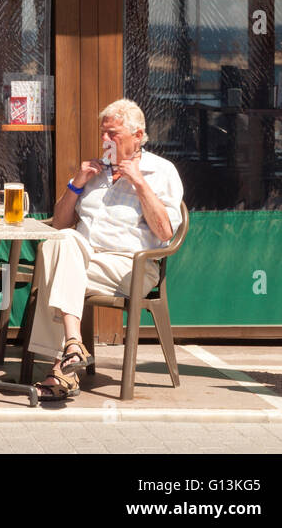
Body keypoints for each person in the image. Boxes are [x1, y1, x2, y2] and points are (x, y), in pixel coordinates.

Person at [28, 98, 184, 402]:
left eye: (113, 134)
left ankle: (60, 366)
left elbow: (165, 232)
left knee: (55, 264)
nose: (104, 140)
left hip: (132, 265)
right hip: (83, 258)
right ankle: (72, 346)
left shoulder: (161, 172)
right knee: (62, 243)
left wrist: (139, 184)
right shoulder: (95, 172)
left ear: (138, 136)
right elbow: (60, 224)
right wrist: (77, 183)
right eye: (103, 133)